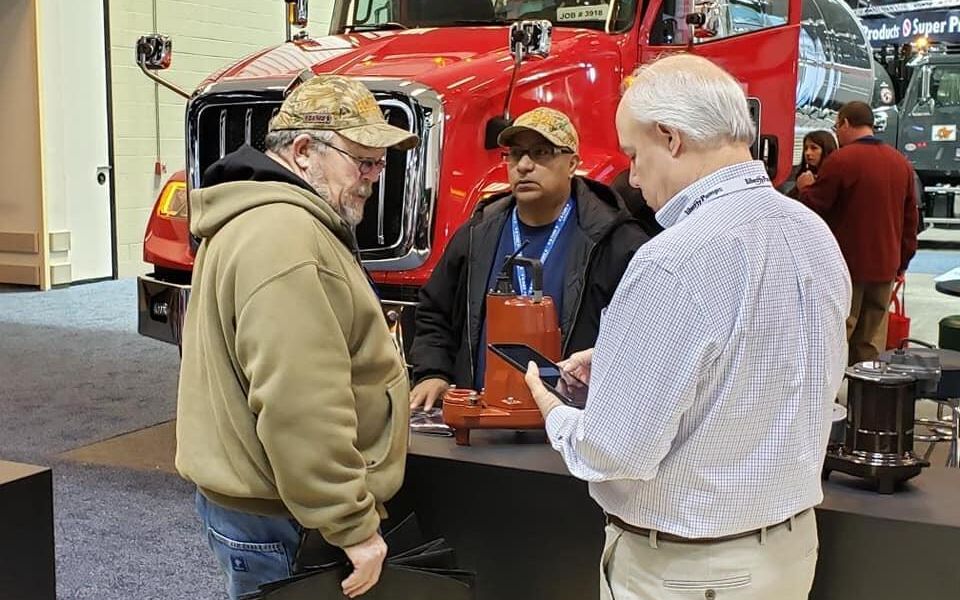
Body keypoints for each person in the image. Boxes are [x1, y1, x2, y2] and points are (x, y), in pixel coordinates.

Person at [524, 54, 851, 600]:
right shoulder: (811, 231)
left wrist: (556, 414)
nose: (632, 175)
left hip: (690, 571)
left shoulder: (674, 259)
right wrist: (619, 364)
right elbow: (761, 362)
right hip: (789, 552)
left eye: (633, 153)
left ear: (670, 138)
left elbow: (617, 450)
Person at [175, 74, 418, 600]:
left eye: (379, 162)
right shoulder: (286, 236)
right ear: (305, 151)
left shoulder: (255, 220)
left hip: (263, 508)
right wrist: (352, 524)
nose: (374, 178)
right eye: (363, 161)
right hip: (284, 519)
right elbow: (299, 402)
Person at [408, 107, 653, 410]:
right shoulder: (477, 233)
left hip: (571, 423)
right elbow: (435, 310)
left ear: (572, 163)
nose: (524, 165)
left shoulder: (614, 240)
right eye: (515, 154)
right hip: (485, 420)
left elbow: (644, 337)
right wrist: (433, 372)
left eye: (541, 153)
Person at [797, 100, 918, 364]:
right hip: (885, 267)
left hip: (847, 268)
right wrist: (902, 261)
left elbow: (816, 208)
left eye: (837, 126)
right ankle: (864, 399)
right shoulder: (900, 163)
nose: (837, 133)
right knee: (871, 341)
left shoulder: (841, 160)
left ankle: (832, 399)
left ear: (845, 123)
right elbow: (911, 220)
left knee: (839, 335)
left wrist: (805, 187)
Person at [779, 130, 837, 198]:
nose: (807, 153)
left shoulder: (833, 179)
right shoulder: (803, 177)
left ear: (826, 149)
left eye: (814, 148)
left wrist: (805, 190)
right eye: (806, 148)